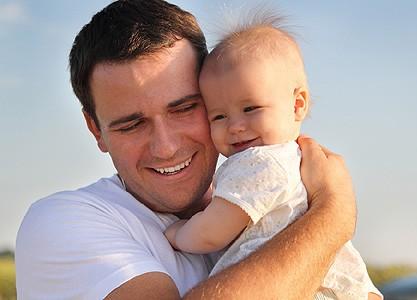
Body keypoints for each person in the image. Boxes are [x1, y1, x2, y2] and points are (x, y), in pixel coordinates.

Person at [15, 1, 358, 299]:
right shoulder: (62, 223)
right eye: (132, 124)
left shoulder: (260, 201)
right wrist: (334, 213)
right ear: (96, 130)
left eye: (184, 109)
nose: (165, 147)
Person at [164, 16, 382, 300]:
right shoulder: (299, 163)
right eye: (219, 116)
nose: (235, 126)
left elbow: (212, 231)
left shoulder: (260, 162)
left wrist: (176, 233)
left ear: (297, 104)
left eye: (251, 108)